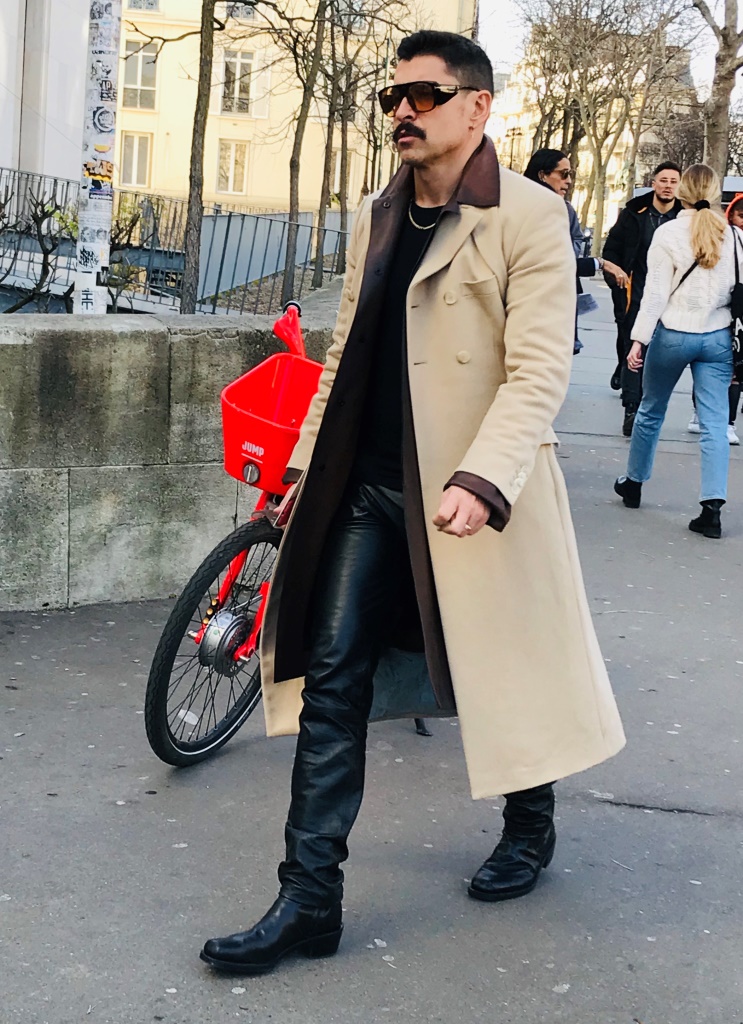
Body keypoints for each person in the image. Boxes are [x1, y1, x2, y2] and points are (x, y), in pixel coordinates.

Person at [201, 30, 625, 976]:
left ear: (476, 107)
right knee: (331, 679)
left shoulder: (529, 215)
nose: (403, 110)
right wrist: (302, 468)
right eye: (393, 96)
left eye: (424, 95)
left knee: (503, 669)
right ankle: (309, 900)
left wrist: (482, 478)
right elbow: (343, 354)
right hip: (367, 488)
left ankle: (530, 821)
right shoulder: (378, 213)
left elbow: (536, 371)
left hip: (474, 489)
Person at [614, 164, 738, 539]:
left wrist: (638, 340)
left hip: (673, 334)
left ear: (681, 193)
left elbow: (654, 296)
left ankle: (634, 483)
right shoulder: (734, 236)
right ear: (716, 195)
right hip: (717, 336)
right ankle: (712, 507)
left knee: (651, 409)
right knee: (716, 423)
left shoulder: (667, 234)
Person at [603, 162, 683, 435]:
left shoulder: (684, 217)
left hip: (671, 295)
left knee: (655, 352)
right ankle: (632, 408)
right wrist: (616, 276)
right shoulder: (633, 213)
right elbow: (612, 249)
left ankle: (643, 398)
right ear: (654, 183)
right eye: (663, 180)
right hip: (636, 291)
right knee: (633, 345)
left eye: (673, 181)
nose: (668, 186)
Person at [523, 149, 629, 353]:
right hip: (532, 309)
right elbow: (553, 261)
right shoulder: (525, 209)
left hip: (554, 309)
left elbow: (566, 257)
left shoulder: (565, 209)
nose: (569, 181)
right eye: (563, 174)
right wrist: (600, 263)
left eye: (571, 174)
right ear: (542, 175)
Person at [688, 191, 743, 444]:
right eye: (741, 216)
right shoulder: (723, 238)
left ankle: (727, 422)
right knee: (711, 366)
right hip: (724, 311)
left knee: (735, 368)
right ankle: (703, 413)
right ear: (730, 216)